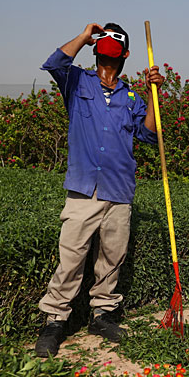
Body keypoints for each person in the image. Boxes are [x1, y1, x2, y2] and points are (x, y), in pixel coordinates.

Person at [35, 23, 164, 357]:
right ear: (96, 47)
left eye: (113, 40)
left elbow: (149, 135)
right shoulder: (77, 80)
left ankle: (102, 315)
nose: (107, 44)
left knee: (112, 257)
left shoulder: (132, 95)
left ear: (125, 54)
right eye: (102, 39)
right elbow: (53, 63)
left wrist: (154, 94)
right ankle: (54, 321)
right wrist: (84, 34)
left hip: (119, 189)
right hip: (83, 188)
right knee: (71, 258)